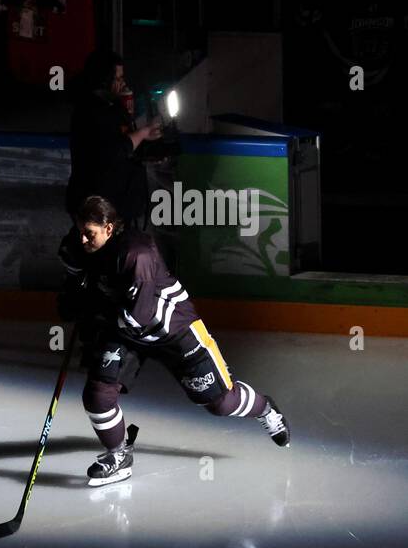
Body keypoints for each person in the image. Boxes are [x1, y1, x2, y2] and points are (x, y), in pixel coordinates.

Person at [58, 195, 290, 487]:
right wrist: (73, 297)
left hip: (174, 331)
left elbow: (137, 317)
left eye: (88, 233)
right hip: (125, 331)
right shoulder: (77, 246)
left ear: (108, 227)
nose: (81, 239)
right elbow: (75, 287)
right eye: (79, 230)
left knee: (221, 403)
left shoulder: (136, 254)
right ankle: (118, 455)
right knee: (98, 395)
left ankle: (265, 409)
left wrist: (92, 314)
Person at [67, 50, 163, 227]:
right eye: (117, 79)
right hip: (98, 210)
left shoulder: (107, 107)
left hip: (109, 206)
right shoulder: (93, 112)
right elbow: (116, 149)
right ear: (104, 80)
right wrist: (142, 133)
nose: (122, 83)